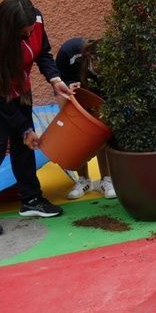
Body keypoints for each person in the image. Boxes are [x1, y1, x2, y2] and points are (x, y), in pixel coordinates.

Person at [0, 0, 72, 238]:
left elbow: (42, 52)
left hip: (18, 81)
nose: (29, 34)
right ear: (10, 29)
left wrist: (55, 79)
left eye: (30, 29)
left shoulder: (35, 20)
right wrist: (24, 128)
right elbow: (0, 97)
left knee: (24, 143)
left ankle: (31, 199)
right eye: (24, 33)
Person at [55, 37, 115, 199]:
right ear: (90, 58)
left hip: (98, 92)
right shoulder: (69, 51)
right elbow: (58, 77)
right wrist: (70, 84)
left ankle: (106, 180)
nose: (102, 68)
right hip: (71, 91)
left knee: (101, 130)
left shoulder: (111, 62)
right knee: (75, 131)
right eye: (99, 65)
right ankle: (83, 180)